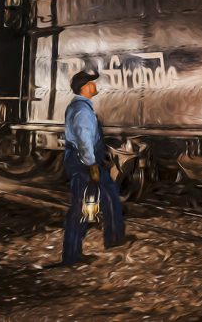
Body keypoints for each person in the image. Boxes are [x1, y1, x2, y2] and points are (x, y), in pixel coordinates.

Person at [60, 69, 125, 266]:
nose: (95, 85)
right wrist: (91, 165)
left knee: (110, 194)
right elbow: (84, 140)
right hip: (83, 162)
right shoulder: (81, 110)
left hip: (84, 160)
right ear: (85, 87)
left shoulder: (81, 107)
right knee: (81, 207)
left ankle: (114, 238)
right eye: (92, 83)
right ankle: (71, 256)